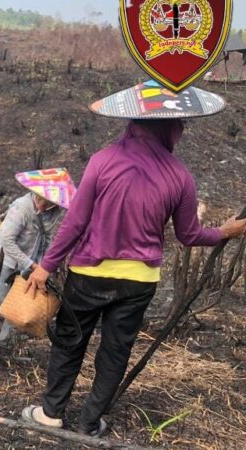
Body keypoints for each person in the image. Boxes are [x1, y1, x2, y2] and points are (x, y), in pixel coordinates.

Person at [22, 118, 246, 436]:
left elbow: (76, 220)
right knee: (116, 350)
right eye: (177, 127)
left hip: (89, 273)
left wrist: (46, 265)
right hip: (139, 281)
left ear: (133, 123)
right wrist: (224, 231)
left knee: (70, 342)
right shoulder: (180, 176)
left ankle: (51, 413)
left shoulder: (103, 160)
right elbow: (189, 234)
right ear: (169, 130)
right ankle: (89, 423)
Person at [0, 168, 75, 343]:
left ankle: (5, 339)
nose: (42, 204)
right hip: (5, 256)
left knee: (19, 297)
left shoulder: (54, 211)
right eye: (41, 199)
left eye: (48, 202)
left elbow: (48, 238)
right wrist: (30, 264)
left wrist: (44, 265)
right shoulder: (22, 207)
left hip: (30, 258)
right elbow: (7, 241)